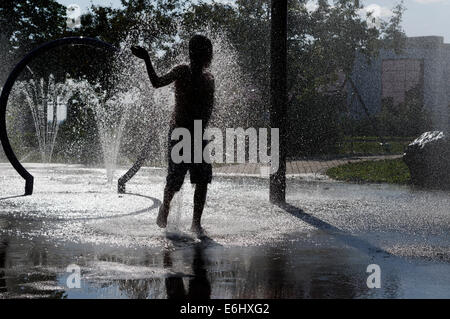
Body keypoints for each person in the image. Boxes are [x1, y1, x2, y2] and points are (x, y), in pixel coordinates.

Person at [131, 35, 215, 235]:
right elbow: (157, 82)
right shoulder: (182, 71)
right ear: (196, 54)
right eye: (205, 52)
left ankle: (196, 223)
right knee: (175, 180)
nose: (208, 56)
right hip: (179, 132)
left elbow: (209, 110)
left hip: (198, 134)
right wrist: (146, 59)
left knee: (202, 179)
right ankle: (165, 208)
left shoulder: (208, 79)